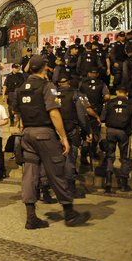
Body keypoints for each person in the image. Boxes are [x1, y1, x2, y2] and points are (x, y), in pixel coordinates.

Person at [15, 55, 90, 230]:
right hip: (45, 134)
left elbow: (18, 114)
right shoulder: (47, 86)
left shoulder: (20, 89)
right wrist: (63, 137)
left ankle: (31, 217)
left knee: (30, 174)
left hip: (27, 134)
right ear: (44, 68)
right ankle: (69, 213)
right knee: (58, 170)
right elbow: (54, 113)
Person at [56, 76, 92, 199]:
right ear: (69, 82)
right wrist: (87, 130)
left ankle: (49, 188)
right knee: (70, 159)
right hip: (71, 129)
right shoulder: (75, 93)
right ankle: (69, 189)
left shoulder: (52, 92)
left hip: (55, 130)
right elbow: (82, 115)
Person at [101, 85, 132, 193]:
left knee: (110, 156)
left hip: (110, 131)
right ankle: (123, 185)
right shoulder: (131, 105)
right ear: (126, 93)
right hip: (124, 133)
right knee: (125, 157)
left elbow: (102, 118)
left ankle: (108, 180)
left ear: (117, 92)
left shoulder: (109, 103)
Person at [78, 68, 110, 169]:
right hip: (96, 111)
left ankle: (84, 155)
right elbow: (107, 96)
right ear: (96, 74)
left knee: (85, 135)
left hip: (83, 111)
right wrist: (101, 100)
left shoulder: (82, 83)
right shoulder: (102, 84)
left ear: (88, 73)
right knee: (95, 134)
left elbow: (78, 96)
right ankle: (92, 151)